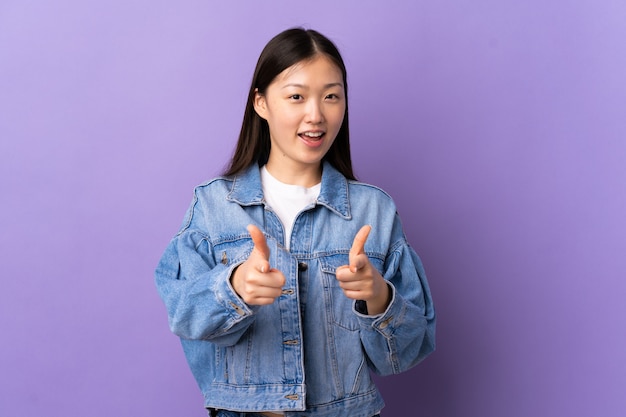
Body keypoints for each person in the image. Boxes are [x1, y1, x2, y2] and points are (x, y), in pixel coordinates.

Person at [155, 27, 436, 417]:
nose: (316, 115)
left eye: (332, 96)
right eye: (296, 96)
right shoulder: (214, 206)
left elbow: (407, 352)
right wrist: (234, 287)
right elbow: (183, 314)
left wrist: (377, 296)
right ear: (261, 103)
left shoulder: (375, 211)